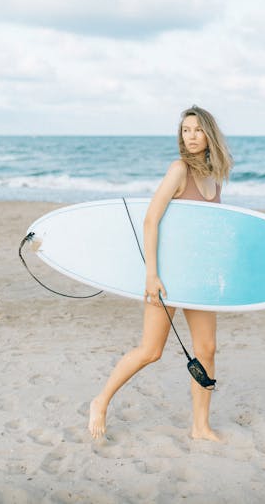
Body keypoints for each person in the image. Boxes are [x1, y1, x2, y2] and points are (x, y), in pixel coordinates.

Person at [88, 105, 233, 441]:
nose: (191, 136)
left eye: (197, 130)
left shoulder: (214, 177)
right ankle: (100, 400)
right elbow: (151, 219)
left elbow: (208, 232)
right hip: (167, 277)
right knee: (151, 351)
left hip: (199, 278)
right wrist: (151, 274)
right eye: (186, 130)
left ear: (209, 134)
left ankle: (200, 427)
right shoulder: (178, 170)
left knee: (207, 349)